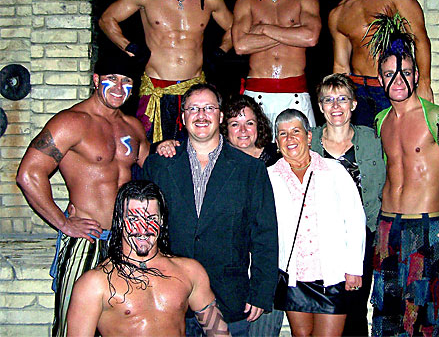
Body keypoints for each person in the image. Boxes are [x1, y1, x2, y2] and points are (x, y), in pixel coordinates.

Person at [16, 47, 150, 337]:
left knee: (121, 327)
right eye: (111, 79)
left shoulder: (133, 127)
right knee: (73, 326)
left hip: (126, 241)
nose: (118, 88)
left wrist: (168, 147)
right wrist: (63, 223)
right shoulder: (72, 121)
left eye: (126, 81)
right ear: (95, 78)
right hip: (86, 240)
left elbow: (155, 174)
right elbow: (28, 173)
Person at [142, 83, 278, 337]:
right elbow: (144, 228)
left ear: (221, 116)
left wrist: (261, 291)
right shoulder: (159, 165)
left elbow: (265, 235)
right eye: (193, 109)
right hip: (171, 300)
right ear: (183, 117)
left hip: (229, 296)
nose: (201, 115)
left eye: (208, 108)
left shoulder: (250, 170)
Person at [370, 17, 439, 336]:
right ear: (380, 78)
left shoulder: (437, 117)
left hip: (424, 226)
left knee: (427, 317)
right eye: (390, 73)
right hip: (387, 228)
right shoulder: (380, 120)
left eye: (405, 72)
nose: (398, 79)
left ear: (416, 75)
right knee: (388, 314)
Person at [99, 0, 233, 144]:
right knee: (151, 155)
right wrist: (129, 47)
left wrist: (221, 51)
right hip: (155, 90)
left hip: (194, 92)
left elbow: (236, 28)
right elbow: (107, 19)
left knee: (195, 154)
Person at [67, 180, 231, 337]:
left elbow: (218, 332)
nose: (142, 229)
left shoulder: (189, 271)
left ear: (161, 221)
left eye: (151, 219)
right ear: (119, 221)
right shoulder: (94, 284)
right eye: (133, 219)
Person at [269, 108, 366, 337]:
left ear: (309, 136)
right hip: (294, 277)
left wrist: (353, 268)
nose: (290, 138)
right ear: (276, 141)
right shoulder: (269, 177)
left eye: (296, 131)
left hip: (331, 276)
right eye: (283, 134)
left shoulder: (334, 172)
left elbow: (354, 220)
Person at [310, 73, 385, 336]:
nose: (335, 106)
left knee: (355, 308)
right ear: (320, 107)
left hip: (362, 235)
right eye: (328, 100)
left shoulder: (373, 140)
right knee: (325, 308)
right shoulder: (308, 142)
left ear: (353, 104)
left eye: (342, 99)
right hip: (319, 237)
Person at [328, 0, 433, 128]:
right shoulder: (337, 14)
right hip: (358, 90)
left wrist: (424, 83)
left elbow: (419, 38)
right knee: (365, 151)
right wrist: (337, 98)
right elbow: (341, 64)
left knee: (400, 146)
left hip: (394, 85)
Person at [232, 0, 321, 128]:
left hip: (295, 94)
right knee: (253, 156)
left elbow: (310, 37)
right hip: (256, 96)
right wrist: (292, 32)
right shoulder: (246, 1)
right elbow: (240, 45)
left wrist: (262, 28)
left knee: (303, 156)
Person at [221, 94, 281, 167]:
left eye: (249, 123)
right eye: (235, 124)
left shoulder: (278, 156)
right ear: (225, 128)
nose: (243, 130)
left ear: (259, 125)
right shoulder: (218, 162)